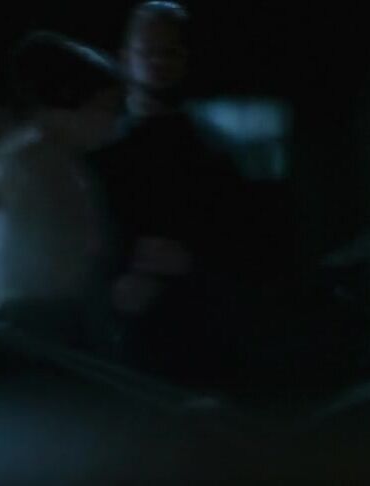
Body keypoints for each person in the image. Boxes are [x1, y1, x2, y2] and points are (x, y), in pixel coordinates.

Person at [90, 1, 261, 389]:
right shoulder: (100, 151)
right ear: (126, 58)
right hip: (116, 350)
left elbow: (250, 249)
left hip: (199, 342)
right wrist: (113, 287)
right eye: (148, 52)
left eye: (169, 52)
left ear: (185, 58)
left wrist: (193, 263)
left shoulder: (216, 152)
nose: (158, 62)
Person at [0, 32, 125, 345]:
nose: (113, 121)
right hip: (31, 317)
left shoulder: (64, 162)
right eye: (105, 108)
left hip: (66, 313)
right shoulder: (19, 159)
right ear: (67, 102)